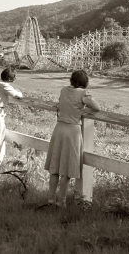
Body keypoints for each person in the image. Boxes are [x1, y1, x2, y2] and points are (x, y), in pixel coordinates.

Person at [44, 69, 100, 208]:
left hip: (59, 129)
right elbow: (97, 108)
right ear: (85, 82)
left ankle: (51, 199)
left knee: (55, 168)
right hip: (72, 131)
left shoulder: (64, 90)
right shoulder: (83, 93)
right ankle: (61, 202)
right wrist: (83, 109)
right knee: (67, 170)